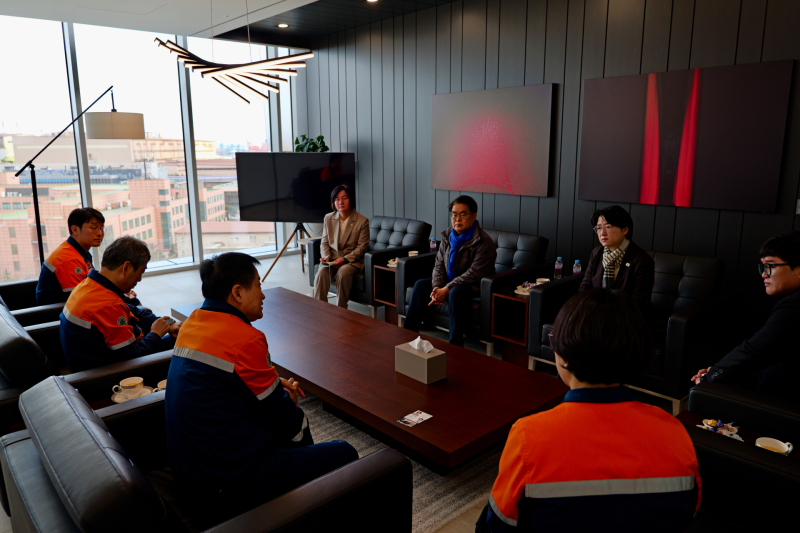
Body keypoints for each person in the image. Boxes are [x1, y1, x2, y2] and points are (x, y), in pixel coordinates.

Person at [477, 289, 701, 533]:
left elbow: (497, 525)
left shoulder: (528, 437)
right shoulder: (676, 434)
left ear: (565, 356)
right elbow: (687, 512)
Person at [166, 252, 358, 506]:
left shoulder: (192, 323)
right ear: (237, 292)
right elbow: (288, 420)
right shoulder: (245, 339)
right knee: (344, 452)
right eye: (258, 285)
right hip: (229, 482)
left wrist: (273, 386)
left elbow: (227, 383)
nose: (263, 295)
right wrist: (291, 411)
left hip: (190, 469)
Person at [691, 231, 800, 401]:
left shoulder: (793, 306)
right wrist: (719, 372)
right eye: (762, 267)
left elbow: (755, 351)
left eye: (770, 266)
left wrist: (710, 377)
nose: (764, 274)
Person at [60, 236, 179, 371]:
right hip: (111, 374)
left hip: (106, 357)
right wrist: (156, 334)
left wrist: (167, 324)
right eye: (141, 272)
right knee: (184, 344)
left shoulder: (90, 285)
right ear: (126, 267)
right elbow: (133, 359)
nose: (140, 279)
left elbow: (131, 309)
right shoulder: (108, 306)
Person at [403, 195, 497, 346]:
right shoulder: (448, 235)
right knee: (420, 285)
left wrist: (446, 289)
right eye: (454, 215)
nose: (457, 219)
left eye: (462, 214)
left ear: (474, 216)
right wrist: (437, 287)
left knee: (455, 293)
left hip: (474, 286)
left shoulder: (484, 242)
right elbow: (439, 264)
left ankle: (455, 346)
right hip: (449, 280)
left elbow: (474, 274)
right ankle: (408, 336)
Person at [36, 207, 140, 306]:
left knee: (130, 300)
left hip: (77, 304)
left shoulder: (79, 252)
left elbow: (93, 285)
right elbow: (79, 299)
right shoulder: (67, 258)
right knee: (129, 303)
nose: (100, 233)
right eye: (94, 228)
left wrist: (118, 291)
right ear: (75, 230)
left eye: (102, 228)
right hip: (58, 312)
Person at [579, 205, 654, 313]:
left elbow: (638, 304)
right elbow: (585, 289)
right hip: (595, 313)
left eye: (607, 227)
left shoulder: (642, 261)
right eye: (599, 228)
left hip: (626, 317)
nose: (602, 233)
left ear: (625, 229)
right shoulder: (597, 253)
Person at [313, 184, 370, 309]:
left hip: (352, 261)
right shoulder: (328, 218)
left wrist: (344, 259)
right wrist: (326, 256)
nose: (341, 202)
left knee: (343, 273)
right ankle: (320, 310)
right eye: (337, 199)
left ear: (351, 200)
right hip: (333, 259)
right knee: (322, 272)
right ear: (334, 202)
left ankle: (341, 310)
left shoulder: (362, 221)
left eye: (344, 198)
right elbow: (324, 242)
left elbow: (362, 248)